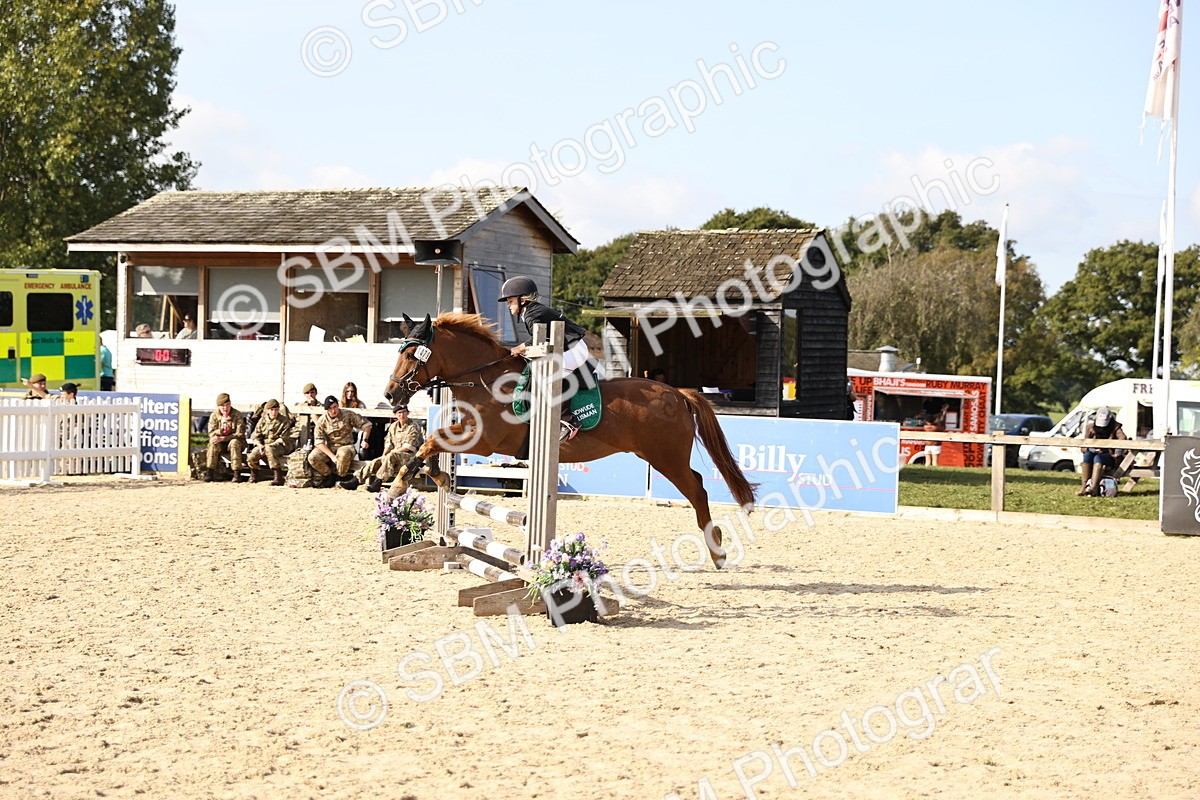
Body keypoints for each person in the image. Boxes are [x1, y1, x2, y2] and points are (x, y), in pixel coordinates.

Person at [497, 276, 592, 443]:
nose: (508, 305)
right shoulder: (532, 311)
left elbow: (536, 338)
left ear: (523, 300)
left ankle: (569, 421)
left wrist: (519, 348)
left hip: (574, 349)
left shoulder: (532, 313)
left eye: (510, 301)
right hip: (569, 348)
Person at [342, 404, 424, 492]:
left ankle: (378, 482)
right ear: (396, 415)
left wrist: (390, 453)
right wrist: (384, 455)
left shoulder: (413, 426)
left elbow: (408, 447)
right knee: (376, 461)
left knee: (391, 456)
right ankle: (356, 480)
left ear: (408, 413)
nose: (402, 415)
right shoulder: (393, 426)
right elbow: (388, 444)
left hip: (411, 458)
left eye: (404, 412)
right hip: (394, 457)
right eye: (399, 413)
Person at [307, 396, 372, 488]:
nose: (333, 410)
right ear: (326, 410)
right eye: (330, 408)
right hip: (329, 447)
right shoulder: (322, 420)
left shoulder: (348, 414)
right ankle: (329, 476)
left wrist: (365, 440)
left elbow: (366, 425)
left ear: (338, 405)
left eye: (335, 407)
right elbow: (319, 442)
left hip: (346, 445)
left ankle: (340, 477)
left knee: (343, 454)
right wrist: (332, 456)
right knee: (313, 457)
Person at [1078, 406, 1129, 497]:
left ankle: (1093, 488)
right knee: (1087, 455)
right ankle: (1084, 487)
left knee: (1098, 458)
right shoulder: (1090, 427)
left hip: (1109, 456)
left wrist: (1118, 451)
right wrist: (1091, 449)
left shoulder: (1116, 427)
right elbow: (1083, 446)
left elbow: (1123, 439)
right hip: (1093, 453)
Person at [246, 399, 294, 485]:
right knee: (252, 456)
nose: (274, 412)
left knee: (269, 449)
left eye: (276, 410)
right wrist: (260, 445)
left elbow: (284, 438)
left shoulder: (283, 421)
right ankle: (255, 474)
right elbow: (256, 436)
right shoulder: (262, 421)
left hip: (281, 446)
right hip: (264, 445)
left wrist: (269, 446)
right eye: (272, 410)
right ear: (267, 410)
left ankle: (278, 477)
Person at [205, 392, 247, 482]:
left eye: (227, 405)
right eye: (222, 406)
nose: (225, 408)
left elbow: (240, 434)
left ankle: (236, 473)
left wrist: (224, 438)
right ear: (218, 406)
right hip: (221, 444)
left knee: (234, 443)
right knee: (213, 443)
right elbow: (211, 433)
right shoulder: (214, 415)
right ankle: (210, 472)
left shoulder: (237, 415)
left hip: (236, 443)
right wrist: (220, 430)